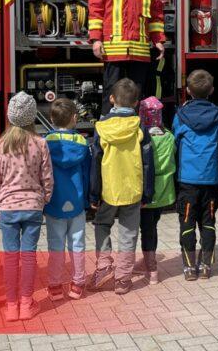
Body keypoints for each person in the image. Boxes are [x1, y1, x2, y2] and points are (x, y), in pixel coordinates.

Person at [0, 92, 53, 322]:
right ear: (32, 117)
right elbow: (47, 177)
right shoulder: (40, 144)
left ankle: (12, 305)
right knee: (28, 256)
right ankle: (27, 303)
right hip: (33, 207)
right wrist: (44, 199)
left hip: (7, 207)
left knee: (10, 256)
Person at [88, 79, 154, 296]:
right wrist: (147, 192)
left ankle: (104, 264)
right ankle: (123, 279)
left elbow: (96, 163)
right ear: (136, 103)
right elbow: (147, 163)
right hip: (133, 189)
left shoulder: (101, 127)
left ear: (111, 99)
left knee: (102, 224)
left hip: (108, 189)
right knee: (129, 232)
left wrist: (94, 193)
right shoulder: (139, 127)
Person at [88, 0, 166, 114]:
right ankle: (107, 133)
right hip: (113, 49)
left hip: (139, 49)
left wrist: (158, 40)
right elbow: (95, 10)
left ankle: (134, 134)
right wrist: (96, 40)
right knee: (111, 93)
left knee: (136, 95)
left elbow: (156, 13)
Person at [173, 69, 218, 280]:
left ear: (187, 90)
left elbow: (176, 141)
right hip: (211, 178)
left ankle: (188, 268)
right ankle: (205, 266)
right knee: (208, 222)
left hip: (187, 179)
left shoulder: (181, 115)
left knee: (187, 222)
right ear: (211, 90)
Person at [44, 98, 91, 302]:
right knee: (78, 244)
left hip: (54, 202)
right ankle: (78, 283)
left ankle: (55, 286)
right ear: (74, 118)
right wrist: (88, 199)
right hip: (77, 202)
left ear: (52, 119)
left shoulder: (46, 142)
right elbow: (87, 173)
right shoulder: (82, 143)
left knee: (55, 244)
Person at [138, 96, 176, 285]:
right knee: (153, 225)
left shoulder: (141, 137)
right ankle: (149, 261)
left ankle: (151, 268)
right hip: (164, 191)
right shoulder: (169, 136)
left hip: (147, 191)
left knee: (146, 229)